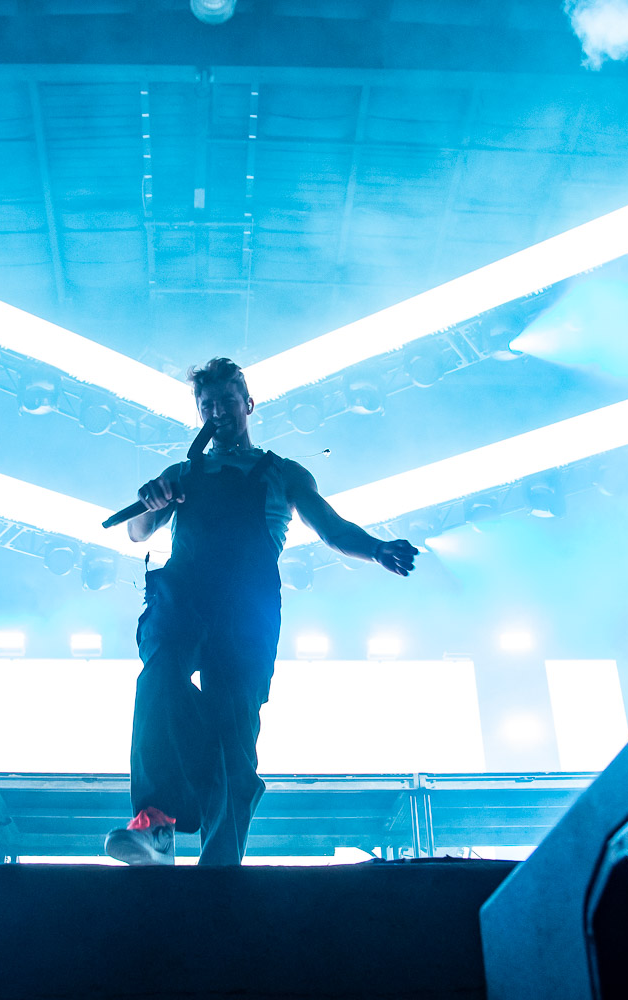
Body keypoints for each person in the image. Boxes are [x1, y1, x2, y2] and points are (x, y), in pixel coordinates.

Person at [104, 358, 418, 866]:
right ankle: (155, 827)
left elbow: (334, 531)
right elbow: (138, 534)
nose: (217, 411)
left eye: (227, 401)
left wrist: (378, 549)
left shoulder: (283, 473)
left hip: (246, 603)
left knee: (234, 728)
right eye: (206, 405)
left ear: (248, 405)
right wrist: (149, 500)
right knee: (158, 682)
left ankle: (220, 865)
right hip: (183, 593)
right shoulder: (181, 472)